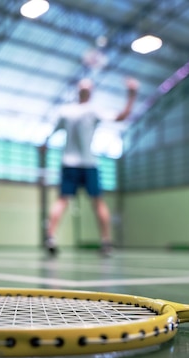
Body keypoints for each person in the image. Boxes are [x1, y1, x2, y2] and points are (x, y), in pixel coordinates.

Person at [42, 77, 138, 257]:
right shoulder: (91, 110)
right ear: (89, 92)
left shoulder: (66, 111)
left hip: (71, 163)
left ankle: (51, 238)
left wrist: (44, 145)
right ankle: (106, 242)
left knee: (64, 200)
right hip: (87, 164)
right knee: (96, 202)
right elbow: (121, 117)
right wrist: (132, 95)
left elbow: (51, 134)